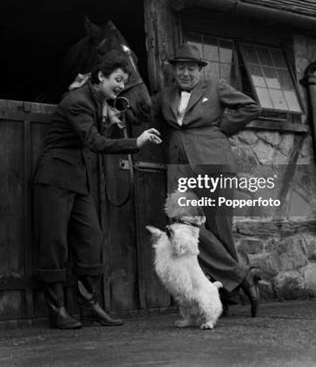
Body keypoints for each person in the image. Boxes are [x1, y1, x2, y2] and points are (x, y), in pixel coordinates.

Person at [33, 50, 162, 330]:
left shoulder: (96, 100)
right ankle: (57, 311)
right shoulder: (78, 101)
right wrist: (135, 143)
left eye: (123, 81)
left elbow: (96, 129)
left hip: (77, 180)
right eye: (117, 79)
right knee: (54, 244)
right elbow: (93, 142)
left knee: (91, 239)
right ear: (100, 76)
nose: (120, 85)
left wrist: (110, 118)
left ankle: (89, 306)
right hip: (54, 178)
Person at [152, 43, 262, 317]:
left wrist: (222, 128)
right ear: (174, 71)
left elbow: (251, 107)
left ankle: (224, 296)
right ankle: (240, 276)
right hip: (180, 168)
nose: (186, 73)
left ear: (199, 71)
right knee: (181, 225)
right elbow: (141, 110)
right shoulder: (165, 96)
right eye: (181, 68)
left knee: (220, 227)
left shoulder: (216, 87)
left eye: (191, 68)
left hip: (214, 164)